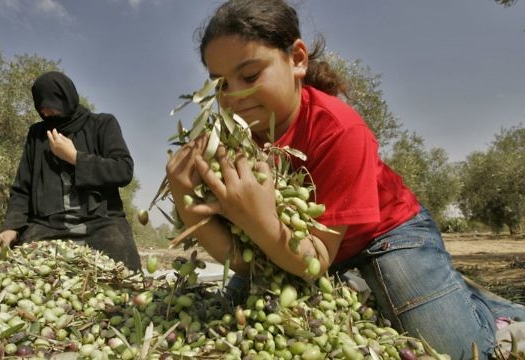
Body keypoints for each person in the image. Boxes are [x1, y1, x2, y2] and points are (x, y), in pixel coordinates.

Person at [165, 0, 525, 358]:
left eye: (250, 75)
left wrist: (256, 219)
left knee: (457, 349)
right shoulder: (232, 143)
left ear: (297, 59)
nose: (235, 96)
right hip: (291, 247)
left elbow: (315, 259)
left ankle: (493, 310)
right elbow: (243, 262)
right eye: (220, 84)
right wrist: (187, 200)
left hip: (386, 235)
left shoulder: (340, 129)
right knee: (230, 320)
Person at [0, 71, 141, 271]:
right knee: (19, 269)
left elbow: (123, 170)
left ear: (67, 99)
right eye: (41, 108)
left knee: (124, 271)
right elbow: (22, 188)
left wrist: (74, 157)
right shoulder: (37, 134)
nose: (45, 113)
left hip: (100, 223)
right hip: (48, 226)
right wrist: (11, 227)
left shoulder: (102, 124)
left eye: (50, 107)